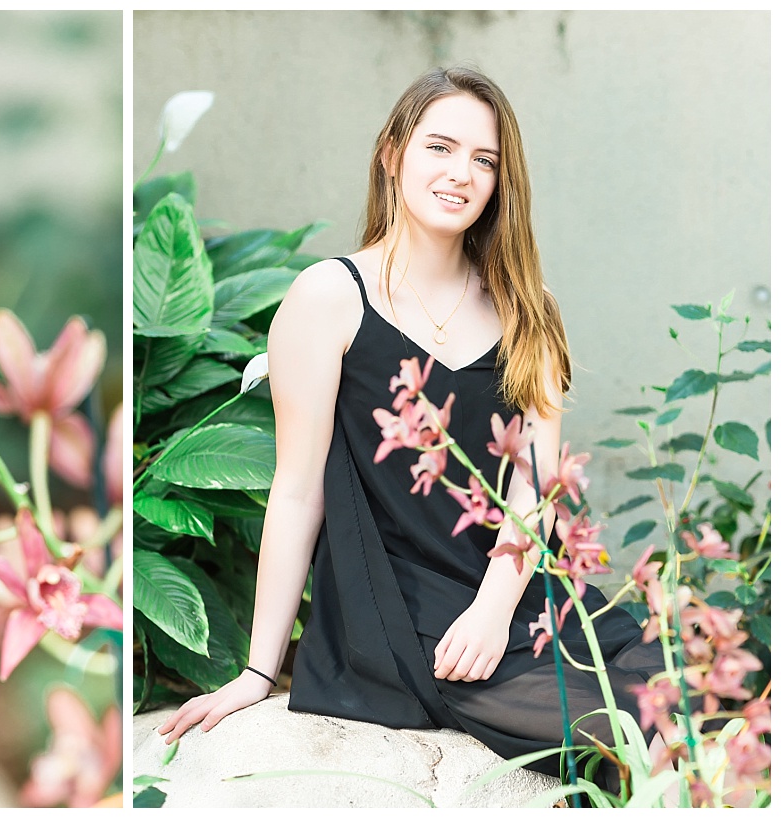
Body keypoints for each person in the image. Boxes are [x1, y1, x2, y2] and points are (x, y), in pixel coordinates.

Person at [156, 66, 664, 792]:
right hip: (398, 612)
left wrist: (494, 607)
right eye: (440, 148)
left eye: (484, 161)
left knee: (698, 676)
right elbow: (297, 491)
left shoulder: (529, 305)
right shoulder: (328, 298)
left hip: (516, 596)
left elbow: (539, 483)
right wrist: (256, 671)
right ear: (391, 154)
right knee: (617, 731)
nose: (461, 174)